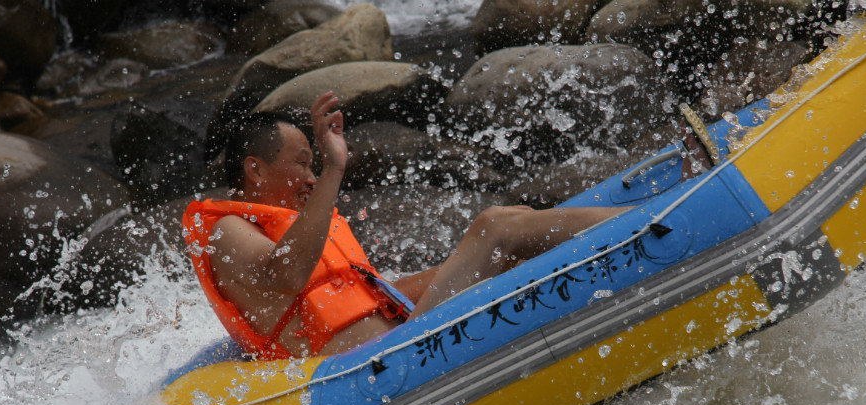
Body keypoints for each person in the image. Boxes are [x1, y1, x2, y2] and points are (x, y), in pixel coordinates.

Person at [182, 92, 631, 359]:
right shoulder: (227, 231)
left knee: (511, 239)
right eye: (302, 164)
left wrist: (451, 272)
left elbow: (362, 295)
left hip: (400, 338)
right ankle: (654, 223)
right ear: (256, 171)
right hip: (382, 364)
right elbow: (287, 276)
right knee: (492, 226)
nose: (312, 178)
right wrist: (337, 168)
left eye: (316, 165)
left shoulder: (291, 225)